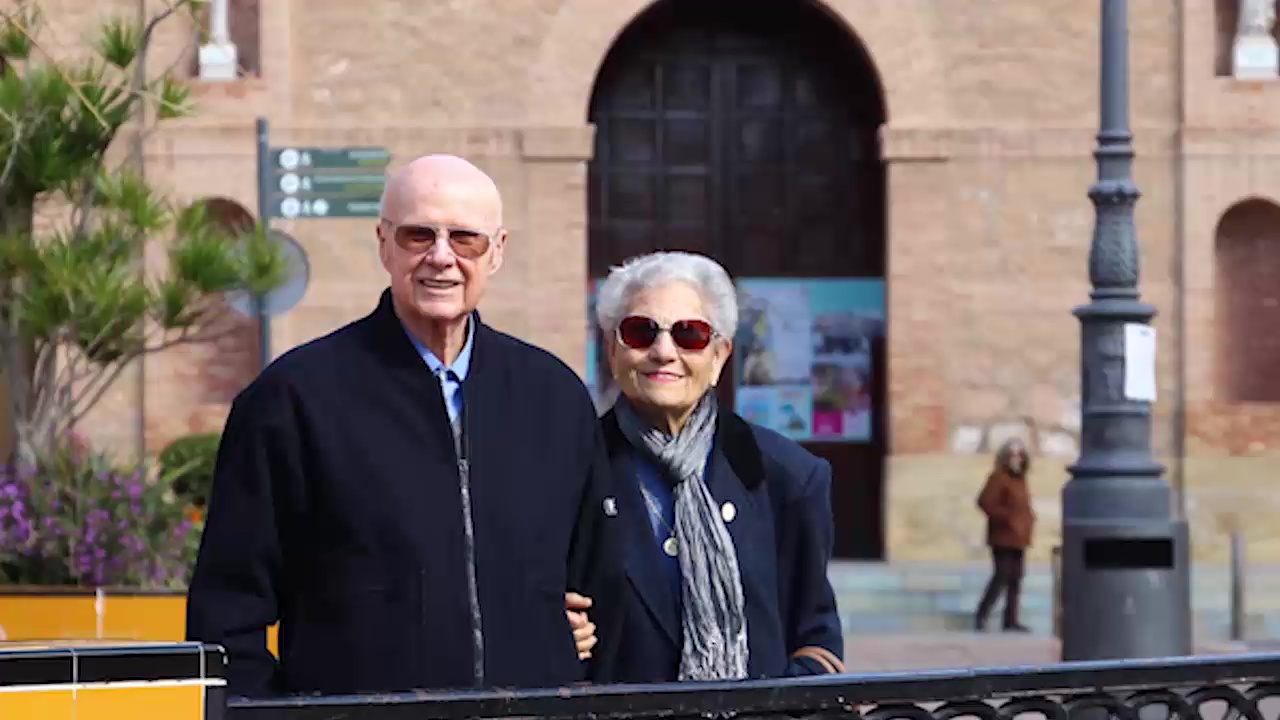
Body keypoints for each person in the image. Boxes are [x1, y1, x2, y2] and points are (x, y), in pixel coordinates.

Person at [186, 154, 620, 697]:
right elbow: (227, 613)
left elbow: (597, 589)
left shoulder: (554, 396)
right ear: (384, 243)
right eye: (419, 235)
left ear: (498, 251)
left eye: (466, 239)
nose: (441, 258)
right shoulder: (293, 400)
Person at [588, 250, 845, 682]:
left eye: (690, 334)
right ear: (613, 351)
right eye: (639, 332)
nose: (663, 351)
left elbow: (816, 636)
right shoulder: (573, 470)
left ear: (720, 355)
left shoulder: (787, 475)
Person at [973, 438, 1035, 633]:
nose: (1016, 459)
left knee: (1016, 577)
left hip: (1019, 538)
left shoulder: (1021, 479)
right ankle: (982, 615)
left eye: (1020, 454)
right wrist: (1007, 519)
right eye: (1012, 455)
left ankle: (1011, 620)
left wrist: (1029, 520)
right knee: (1001, 576)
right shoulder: (998, 477)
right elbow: (984, 502)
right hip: (1003, 537)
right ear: (1004, 457)